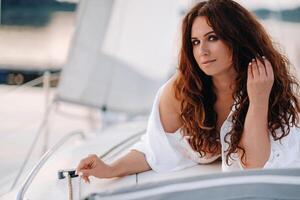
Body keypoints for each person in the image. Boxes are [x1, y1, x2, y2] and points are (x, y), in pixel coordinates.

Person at [76, 0, 300, 183]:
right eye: (195, 42)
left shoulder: (268, 84)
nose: (202, 51)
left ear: (236, 38)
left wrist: (258, 100)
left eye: (212, 38)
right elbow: (156, 150)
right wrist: (110, 168)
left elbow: (255, 165)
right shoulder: (182, 91)